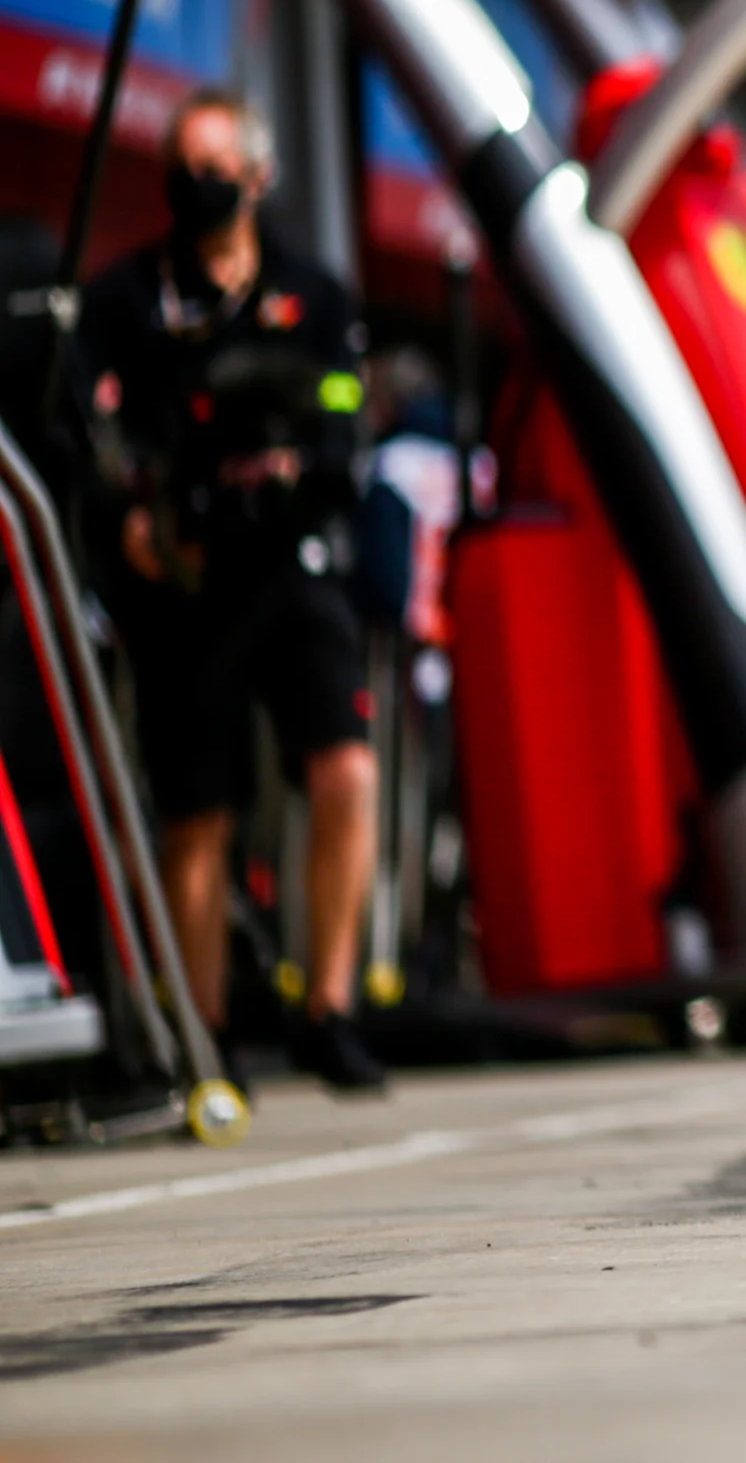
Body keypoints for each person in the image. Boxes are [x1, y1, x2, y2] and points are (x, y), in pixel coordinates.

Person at [81, 91, 385, 1092]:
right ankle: (205, 1039)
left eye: (214, 164)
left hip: (293, 569)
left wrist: (301, 467)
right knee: (197, 815)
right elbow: (83, 435)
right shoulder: (128, 297)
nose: (195, 181)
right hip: (187, 582)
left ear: (258, 176)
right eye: (181, 162)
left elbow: (344, 425)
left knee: (347, 772)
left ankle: (329, 1008)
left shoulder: (315, 294)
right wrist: (130, 519)